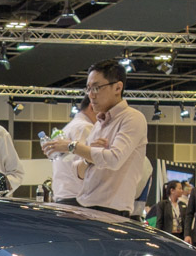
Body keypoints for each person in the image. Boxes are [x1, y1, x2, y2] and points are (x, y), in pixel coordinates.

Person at [42, 59, 147, 217]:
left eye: (96, 88)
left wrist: (72, 146)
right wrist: (89, 157)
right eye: (88, 88)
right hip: (86, 206)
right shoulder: (99, 124)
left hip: (111, 211)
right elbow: (78, 172)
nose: (91, 94)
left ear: (118, 87)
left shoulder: (132, 118)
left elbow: (114, 159)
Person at [51, 96, 95, 206]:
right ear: (92, 107)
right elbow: (88, 164)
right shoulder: (85, 127)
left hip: (64, 195)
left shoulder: (69, 127)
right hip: (78, 198)